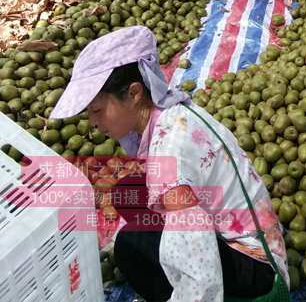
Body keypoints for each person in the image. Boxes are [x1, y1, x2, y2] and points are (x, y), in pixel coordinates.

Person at [49, 26, 290, 302]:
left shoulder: (170, 151)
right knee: (128, 192)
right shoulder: (170, 110)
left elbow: (201, 271)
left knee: (129, 246)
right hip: (256, 238)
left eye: (97, 111)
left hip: (257, 269)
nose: (93, 122)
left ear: (134, 92)